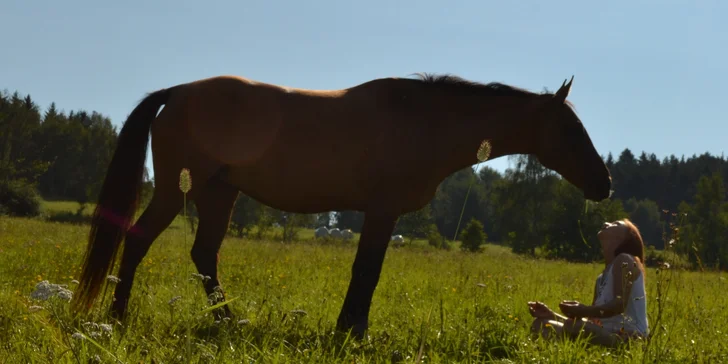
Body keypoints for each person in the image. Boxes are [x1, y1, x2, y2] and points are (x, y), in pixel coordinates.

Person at [528, 218, 649, 347]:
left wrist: (583, 310)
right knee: (540, 323)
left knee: (573, 327)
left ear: (626, 237)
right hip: (604, 332)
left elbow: (619, 304)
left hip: (630, 337)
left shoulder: (625, 260)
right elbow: (593, 321)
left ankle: (570, 346)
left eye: (615, 224)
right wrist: (552, 315)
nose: (605, 223)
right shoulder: (601, 278)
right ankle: (574, 346)